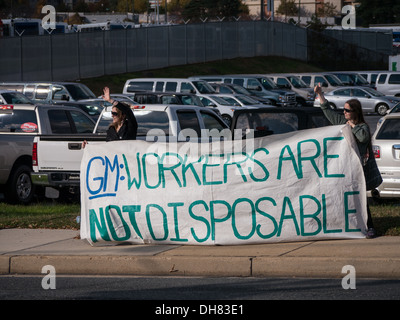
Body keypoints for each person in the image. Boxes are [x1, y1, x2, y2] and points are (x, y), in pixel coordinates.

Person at [314, 83, 376, 239]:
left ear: (355, 112)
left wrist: (351, 126)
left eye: (347, 110)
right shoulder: (344, 123)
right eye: (344, 110)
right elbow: (328, 112)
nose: (344, 112)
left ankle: (370, 227)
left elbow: (362, 138)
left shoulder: (362, 127)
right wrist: (320, 94)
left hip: (358, 169)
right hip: (344, 169)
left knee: (360, 199)